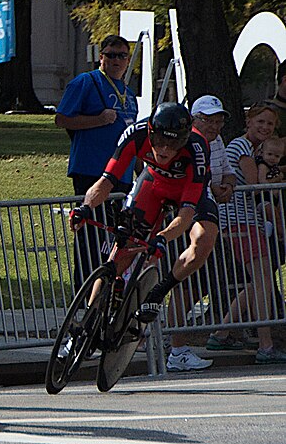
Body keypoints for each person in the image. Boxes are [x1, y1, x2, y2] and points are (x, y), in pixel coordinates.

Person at [70, 103, 218, 371]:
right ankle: (85, 325)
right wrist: (84, 208)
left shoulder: (197, 149)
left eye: (172, 146)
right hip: (153, 186)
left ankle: (159, 291)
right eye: (159, 142)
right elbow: (106, 181)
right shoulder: (134, 134)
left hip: (188, 193)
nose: (164, 150)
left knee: (203, 243)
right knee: (119, 255)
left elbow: (186, 213)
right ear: (150, 132)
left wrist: (162, 236)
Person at [55, 34, 140, 288]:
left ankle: (108, 288)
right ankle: (84, 290)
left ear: (128, 61)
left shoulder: (129, 94)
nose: (116, 60)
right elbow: (62, 119)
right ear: (100, 56)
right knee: (91, 234)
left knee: (116, 237)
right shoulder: (85, 82)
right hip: (91, 170)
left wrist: (142, 172)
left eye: (122, 55)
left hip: (122, 175)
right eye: (111, 54)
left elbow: (131, 138)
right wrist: (98, 120)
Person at [165, 96, 239, 358]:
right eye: (209, 120)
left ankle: (174, 344)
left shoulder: (216, 141)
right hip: (186, 216)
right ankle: (176, 348)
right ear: (194, 119)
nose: (215, 126)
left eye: (218, 121)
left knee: (197, 284)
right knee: (185, 285)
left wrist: (226, 186)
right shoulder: (186, 141)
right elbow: (188, 181)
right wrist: (211, 188)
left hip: (207, 215)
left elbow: (227, 171)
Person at [214, 102, 286, 363]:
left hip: (249, 221)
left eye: (270, 123)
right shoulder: (243, 148)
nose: (265, 127)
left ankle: (221, 333)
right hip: (240, 222)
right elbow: (256, 186)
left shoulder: (257, 151)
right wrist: (276, 181)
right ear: (249, 122)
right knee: (263, 280)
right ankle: (266, 346)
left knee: (260, 281)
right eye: (261, 122)